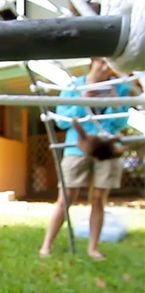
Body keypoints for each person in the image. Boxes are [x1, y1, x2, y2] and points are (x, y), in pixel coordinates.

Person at [39, 57, 133, 260]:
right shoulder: (73, 86)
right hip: (77, 148)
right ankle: (46, 245)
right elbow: (62, 121)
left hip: (106, 149)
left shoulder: (120, 87)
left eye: (110, 63)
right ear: (93, 60)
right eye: (103, 62)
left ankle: (93, 247)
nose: (107, 67)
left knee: (99, 198)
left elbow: (120, 123)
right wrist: (84, 98)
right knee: (66, 197)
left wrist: (114, 102)